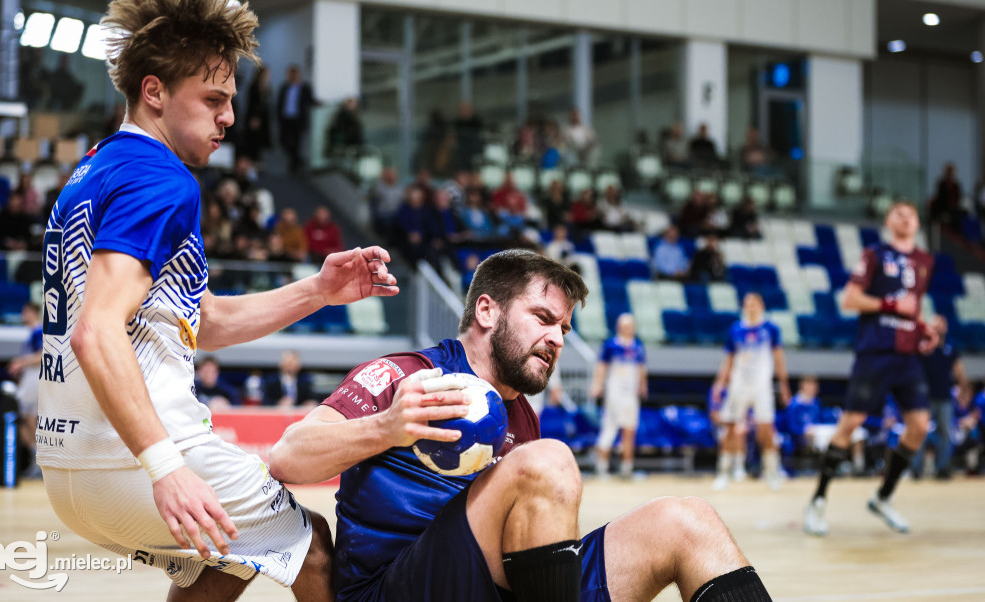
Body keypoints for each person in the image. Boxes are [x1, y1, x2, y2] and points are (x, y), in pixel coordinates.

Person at [36, 0, 400, 601]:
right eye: (212, 99)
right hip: (131, 456)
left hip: (68, 462)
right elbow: (96, 331)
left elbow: (201, 323)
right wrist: (166, 466)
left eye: (230, 98)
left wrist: (317, 290)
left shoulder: (98, 167)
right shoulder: (162, 179)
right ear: (154, 92)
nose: (230, 116)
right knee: (309, 543)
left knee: (224, 560)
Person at [270, 250, 773, 602]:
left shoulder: (522, 417)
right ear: (487, 310)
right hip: (396, 589)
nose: (556, 338)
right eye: (543, 317)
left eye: (564, 328)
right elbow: (289, 456)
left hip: (492, 586)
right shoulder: (409, 374)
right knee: (549, 462)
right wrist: (387, 426)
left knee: (688, 520)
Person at [804, 201, 938, 537]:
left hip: (907, 356)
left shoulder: (925, 261)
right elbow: (849, 299)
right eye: (899, 212)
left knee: (919, 426)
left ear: (918, 222)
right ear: (889, 220)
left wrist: (924, 329)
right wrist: (891, 304)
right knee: (852, 421)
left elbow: (913, 305)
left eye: (911, 212)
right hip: (874, 351)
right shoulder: (874, 254)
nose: (905, 216)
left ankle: (883, 496)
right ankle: (818, 501)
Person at [711, 294, 791, 491]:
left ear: (761, 305)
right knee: (729, 427)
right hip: (738, 385)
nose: (750, 307)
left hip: (761, 386)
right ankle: (724, 472)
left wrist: (783, 383)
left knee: (766, 428)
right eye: (747, 304)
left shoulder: (771, 329)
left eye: (754, 303)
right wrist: (720, 383)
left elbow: (779, 357)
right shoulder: (736, 329)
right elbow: (728, 359)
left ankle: (772, 473)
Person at [589, 313, 648, 479]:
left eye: (631, 326)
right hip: (614, 394)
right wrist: (597, 385)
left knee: (630, 430)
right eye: (625, 326)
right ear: (619, 327)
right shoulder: (611, 345)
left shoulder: (638, 346)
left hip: (631, 395)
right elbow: (601, 366)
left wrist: (643, 386)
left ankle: (627, 469)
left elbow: (641, 368)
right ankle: (602, 469)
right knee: (609, 428)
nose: (628, 329)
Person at [912, 316, 968, 479]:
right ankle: (916, 469)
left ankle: (943, 468)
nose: (938, 329)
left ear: (946, 329)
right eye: (935, 326)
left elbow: (959, 370)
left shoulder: (950, 349)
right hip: (924, 397)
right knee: (920, 432)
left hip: (944, 397)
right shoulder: (923, 348)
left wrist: (964, 388)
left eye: (941, 326)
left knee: (945, 432)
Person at [8, 301, 44, 477]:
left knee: (30, 417)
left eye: (25, 312)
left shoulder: (38, 331)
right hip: (29, 379)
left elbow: (42, 355)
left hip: (35, 378)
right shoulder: (30, 333)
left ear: (33, 313)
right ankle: (35, 455)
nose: (23, 315)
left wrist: (20, 362)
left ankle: (38, 458)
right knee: (24, 418)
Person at [277, 64, 319, 172]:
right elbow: (279, 103)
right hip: (286, 119)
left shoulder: (304, 88)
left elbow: (310, 101)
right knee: (283, 141)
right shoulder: (284, 87)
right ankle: (298, 160)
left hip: (298, 120)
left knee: (296, 143)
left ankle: (294, 166)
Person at [243, 64, 272, 162]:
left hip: (263, 118)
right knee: (253, 141)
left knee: (259, 141)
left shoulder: (266, 87)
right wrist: (254, 117)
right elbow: (252, 104)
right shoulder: (254, 87)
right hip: (255, 117)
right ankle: (252, 162)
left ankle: (257, 161)